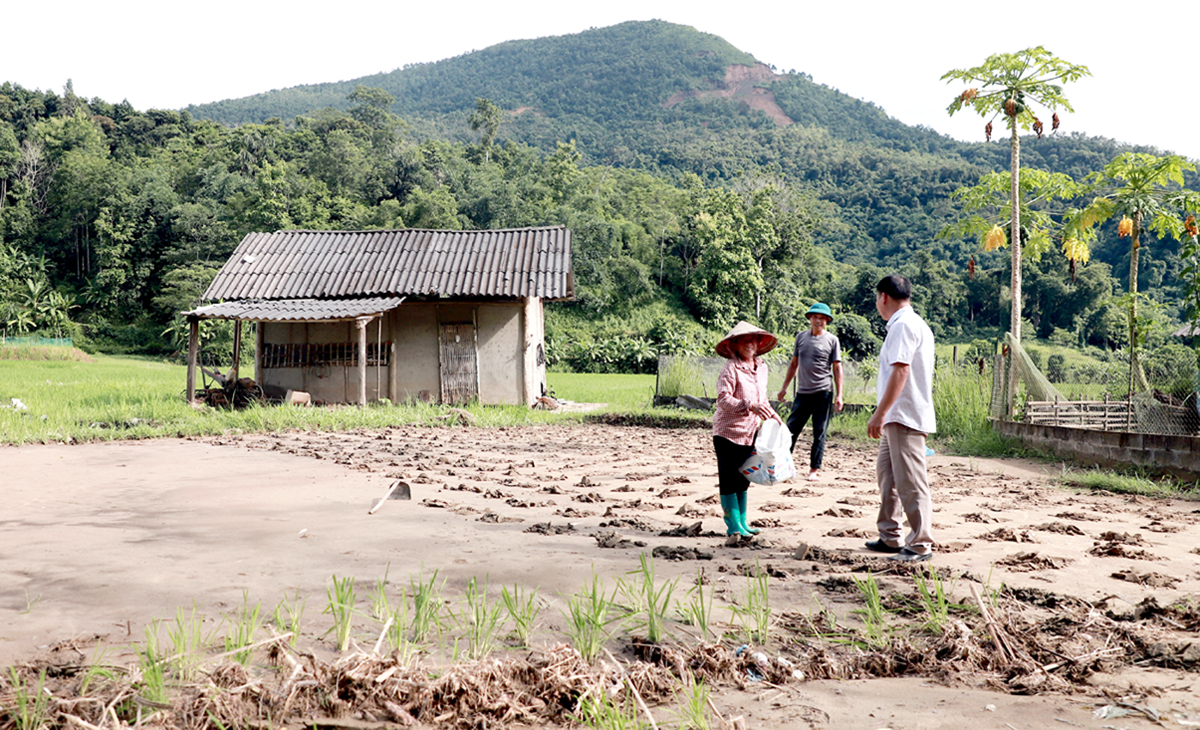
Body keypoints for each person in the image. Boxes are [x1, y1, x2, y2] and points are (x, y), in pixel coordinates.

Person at [865, 275, 937, 563]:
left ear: (883, 297)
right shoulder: (910, 323)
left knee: (910, 481)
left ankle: (920, 543)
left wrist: (879, 413)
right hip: (899, 415)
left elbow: (901, 371)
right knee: (888, 477)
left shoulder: (904, 325)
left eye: (877, 299)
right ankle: (890, 535)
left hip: (904, 414)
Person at [713, 320, 782, 540]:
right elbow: (723, 399)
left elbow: (762, 400)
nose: (748, 344)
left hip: (751, 432)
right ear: (734, 345)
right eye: (743, 341)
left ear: (758, 342)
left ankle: (743, 522)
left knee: (744, 478)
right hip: (728, 432)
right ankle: (733, 525)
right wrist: (747, 405)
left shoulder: (761, 368)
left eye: (751, 340)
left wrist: (775, 417)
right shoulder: (730, 368)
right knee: (729, 479)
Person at [775, 303, 843, 481]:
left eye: (822, 318)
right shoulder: (801, 338)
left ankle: (814, 469)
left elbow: (837, 368)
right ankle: (784, 464)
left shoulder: (832, 340)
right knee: (791, 429)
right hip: (803, 393)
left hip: (823, 392)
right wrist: (784, 388)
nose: (818, 320)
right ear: (810, 319)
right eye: (815, 317)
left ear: (827, 321)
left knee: (819, 432)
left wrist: (839, 395)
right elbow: (794, 364)